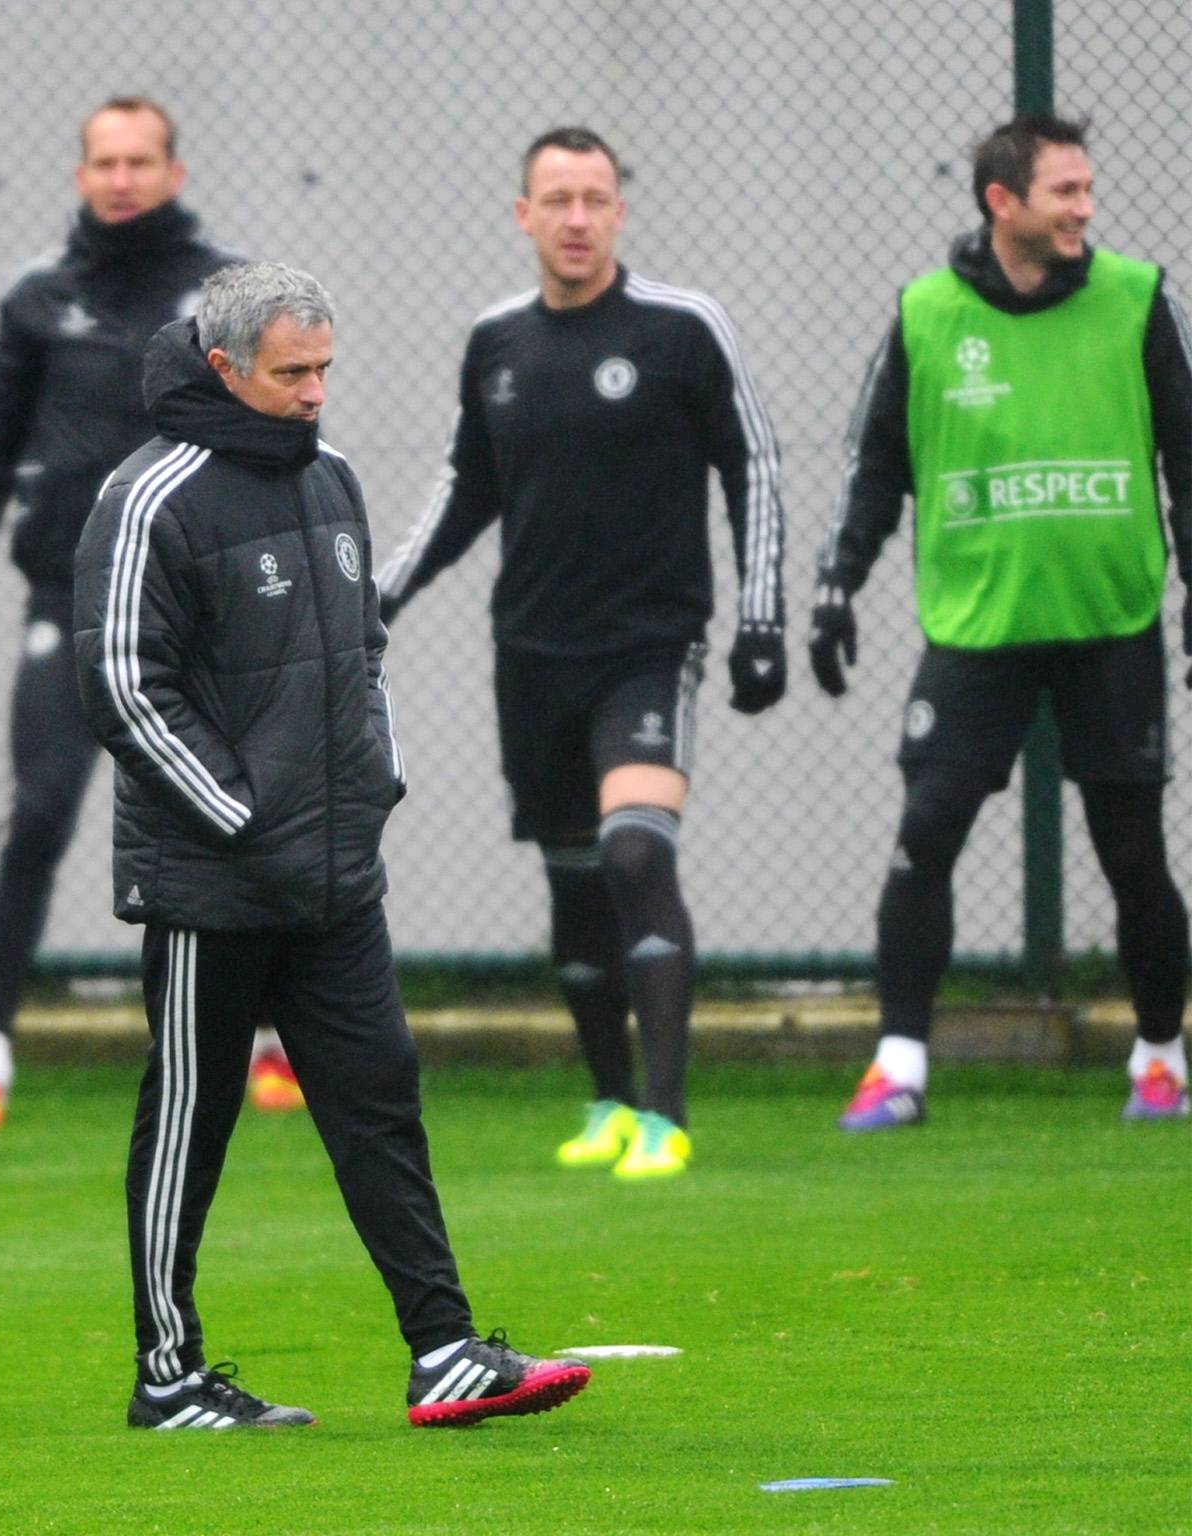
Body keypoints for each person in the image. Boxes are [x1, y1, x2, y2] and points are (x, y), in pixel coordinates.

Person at [75, 261, 592, 1430]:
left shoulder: (335, 480)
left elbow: (361, 652)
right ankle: (168, 1375)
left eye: (323, 370)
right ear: (225, 369)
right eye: (289, 374)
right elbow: (118, 683)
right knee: (189, 1120)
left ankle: (444, 1348)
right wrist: (242, 818)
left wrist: (373, 782)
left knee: (378, 1099)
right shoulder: (152, 495)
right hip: (215, 882)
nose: (314, 394)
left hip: (334, 871)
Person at [377, 127, 786, 1180]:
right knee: (570, 885)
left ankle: (664, 1116)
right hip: (530, 654)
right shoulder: (496, 343)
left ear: (617, 209)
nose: (573, 218)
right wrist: (379, 593)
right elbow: (466, 487)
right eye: (554, 199)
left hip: (649, 646)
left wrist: (761, 615)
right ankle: (605, 1098)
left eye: (593, 198)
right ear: (521, 214)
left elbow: (753, 469)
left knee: (635, 853)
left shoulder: (682, 329)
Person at [0, 97, 303, 1132]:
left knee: (235, 809)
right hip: (68, 595)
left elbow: (274, 434)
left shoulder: (227, 294)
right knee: (36, 815)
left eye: (139, 161)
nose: (119, 178)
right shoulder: (37, 297)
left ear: (173, 172)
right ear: (80, 175)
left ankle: (269, 1033)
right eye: (102, 162)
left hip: (200, 596)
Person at [812, 115, 1192, 1130]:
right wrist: (835, 582)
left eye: (1084, 189)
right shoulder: (926, 314)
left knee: (1129, 853)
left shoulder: (1134, 299)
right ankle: (897, 1068)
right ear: (1000, 202)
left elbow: (1187, 469)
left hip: (1107, 623)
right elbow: (874, 467)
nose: (1083, 208)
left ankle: (1158, 1054)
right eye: (1062, 191)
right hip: (975, 629)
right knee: (923, 832)